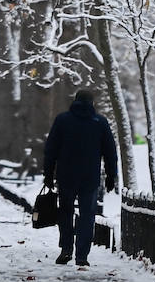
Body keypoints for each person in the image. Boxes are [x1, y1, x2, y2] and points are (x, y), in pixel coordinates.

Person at [42, 89, 117, 266]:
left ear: (75, 101)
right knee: (87, 215)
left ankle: (66, 248)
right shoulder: (100, 122)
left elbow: (51, 150)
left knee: (65, 212)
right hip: (90, 177)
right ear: (92, 103)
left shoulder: (63, 120)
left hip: (66, 175)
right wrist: (111, 175)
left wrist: (48, 173)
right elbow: (110, 152)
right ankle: (82, 255)